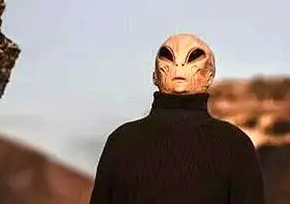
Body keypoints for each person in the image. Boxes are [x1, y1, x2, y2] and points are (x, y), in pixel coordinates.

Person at [89, 33, 265, 204]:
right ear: (210, 75)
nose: (179, 65)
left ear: (154, 76)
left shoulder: (121, 141)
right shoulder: (235, 145)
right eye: (170, 57)